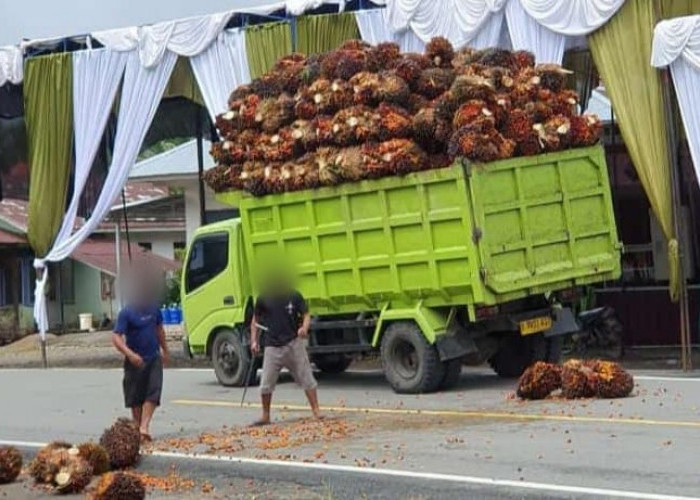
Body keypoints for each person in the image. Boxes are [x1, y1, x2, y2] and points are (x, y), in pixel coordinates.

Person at [250, 276, 321, 425]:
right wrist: (254, 341)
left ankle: (316, 410)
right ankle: (265, 415)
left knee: (306, 377)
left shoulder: (294, 296)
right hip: (272, 346)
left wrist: (304, 328)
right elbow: (255, 321)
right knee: (266, 384)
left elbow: (306, 315)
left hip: (293, 343)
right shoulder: (263, 298)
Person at [111, 269, 169, 441]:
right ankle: (139, 430)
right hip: (135, 360)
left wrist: (165, 349)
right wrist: (129, 354)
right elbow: (116, 337)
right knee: (135, 398)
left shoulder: (154, 310)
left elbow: (159, 331)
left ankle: (144, 426)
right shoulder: (127, 313)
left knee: (153, 392)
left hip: (153, 357)